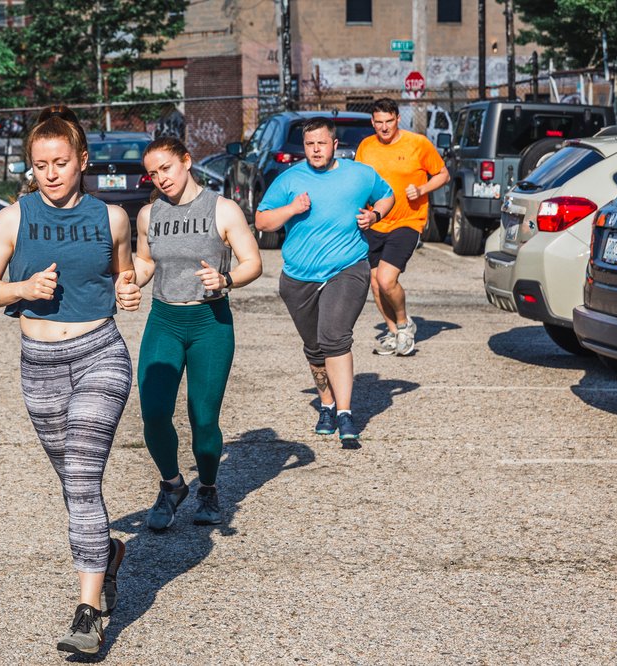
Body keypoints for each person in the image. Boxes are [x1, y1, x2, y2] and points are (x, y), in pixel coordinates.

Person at [0, 105, 142, 656]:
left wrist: (128, 288)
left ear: (82, 161)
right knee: (72, 485)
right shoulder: (12, 219)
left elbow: (125, 270)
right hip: (39, 362)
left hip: (100, 354)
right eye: (40, 164)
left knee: (84, 480)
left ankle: (88, 615)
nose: (50, 173)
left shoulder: (112, 218)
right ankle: (107, 554)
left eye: (60, 163)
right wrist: (22, 290)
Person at [126, 137, 262, 530]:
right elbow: (146, 262)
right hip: (164, 321)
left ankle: (208, 488)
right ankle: (172, 485)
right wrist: (130, 280)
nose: (161, 178)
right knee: (154, 413)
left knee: (203, 418)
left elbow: (252, 262)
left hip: (210, 323)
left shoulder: (223, 209)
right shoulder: (148, 215)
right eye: (153, 173)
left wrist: (227, 279)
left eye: (166, 168)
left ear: (186, 161)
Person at [254, 117, 394, 448]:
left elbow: (387, 196)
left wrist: (375, 215)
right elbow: (262, 220)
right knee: (314, 347)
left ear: (334, 145)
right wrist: (292, 209)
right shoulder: (289, 179)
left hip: (347, 268)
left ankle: (345, 414)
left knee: (334, 337)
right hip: (298, 276)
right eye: (309, 144)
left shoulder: (359, 174)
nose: (316, 149)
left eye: (321, 143)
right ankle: (327, 406)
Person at [355, 98, 450, 356]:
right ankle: (394, 333)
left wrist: (422, 189)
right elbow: (361, 182)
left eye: (389, 121)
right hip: (375, 221)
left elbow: (443, 174)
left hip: (408, 221)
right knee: (375, 284)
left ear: (398, 119)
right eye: (379, 122)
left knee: (387, 280)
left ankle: (404, 324)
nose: (384, 127)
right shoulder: (366, 146)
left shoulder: (418, 143)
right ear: (372, 122)